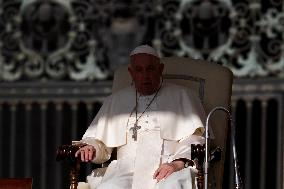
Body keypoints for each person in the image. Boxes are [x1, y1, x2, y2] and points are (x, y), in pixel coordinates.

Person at [75, 45, 206, 189]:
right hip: (126, 168)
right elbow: (100, 143)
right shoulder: (116, 100)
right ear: (131, 72)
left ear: (160, 69)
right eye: (139, 70)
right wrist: (91, 148)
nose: (145, 75)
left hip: (168, 166)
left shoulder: (182, 96)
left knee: (173, 185)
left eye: (150, 69)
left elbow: (195, 137)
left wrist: (177, 163)